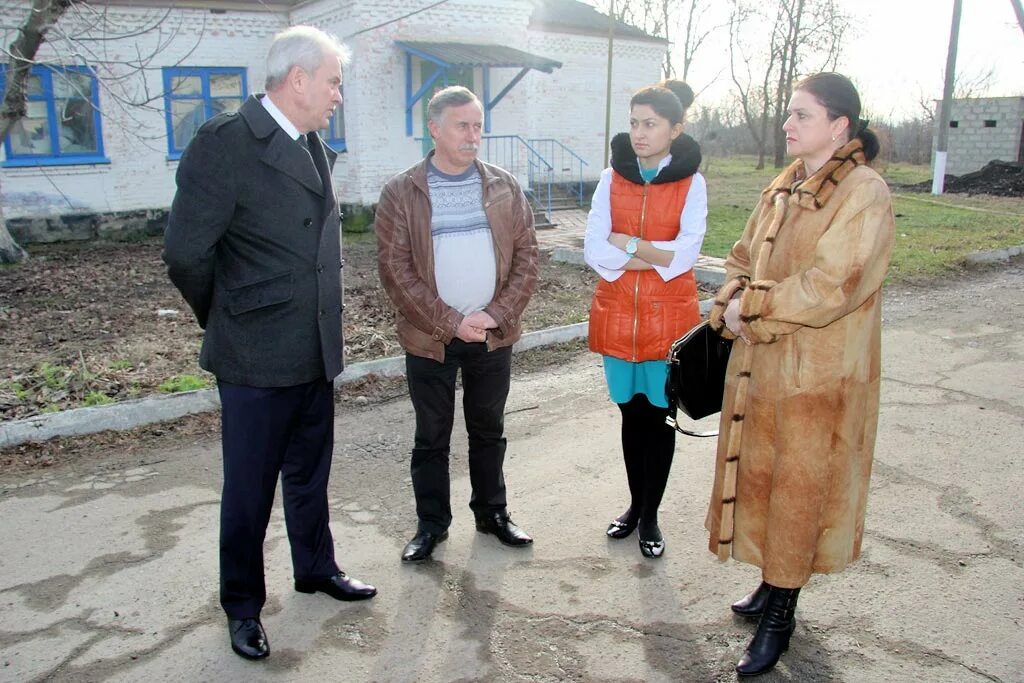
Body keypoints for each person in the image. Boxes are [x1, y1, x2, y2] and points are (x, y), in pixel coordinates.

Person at [162, 26, 376, 662]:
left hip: (312, 347)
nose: (339, 93)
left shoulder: (310, 143)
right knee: (249, 490)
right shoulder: (226, 144)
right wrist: (227, 317)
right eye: (334, 80)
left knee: (309, 474)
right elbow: (185, 253)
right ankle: (242, 608)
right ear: (300, 79)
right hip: (254, 355)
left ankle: (315, 567)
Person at [705, 72, 895, 677]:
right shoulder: (784, 183)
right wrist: (731, 296)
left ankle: (781, 614)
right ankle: (770, 582)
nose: (788, 124)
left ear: (840, 126)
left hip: (820, 377)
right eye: (789, 113)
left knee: (798, 492)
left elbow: (833, 286)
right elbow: (740, 253)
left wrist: (749, 309)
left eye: (801, 115)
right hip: (763, 369)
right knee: (762, 481)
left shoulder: (863, 192)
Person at [375, 86, 539, 563]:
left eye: (478, 126)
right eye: (463, 126)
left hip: (492, 335)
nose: (474, 136)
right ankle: (431, 525)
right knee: (432, 434)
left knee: (489, 428)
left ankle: (493, 514)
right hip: (431, 339)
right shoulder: (401, 192)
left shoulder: (504, 185)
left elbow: (528, 256)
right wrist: (450, 322)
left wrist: (496, 314)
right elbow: (396, 271)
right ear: (434, 129)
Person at [583, 85, 707, 559]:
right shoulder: (610, 179)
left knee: (661, 419)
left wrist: (629, 244)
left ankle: (651, 515)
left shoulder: (690, 183)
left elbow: (687, 254)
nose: (639, 132)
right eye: (634, 122)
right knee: (631, 415)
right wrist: (655, 254)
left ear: (675, 129)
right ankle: (635, 506)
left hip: (668, 320)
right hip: (619, 318)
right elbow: (596, 250)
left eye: (650, 124)